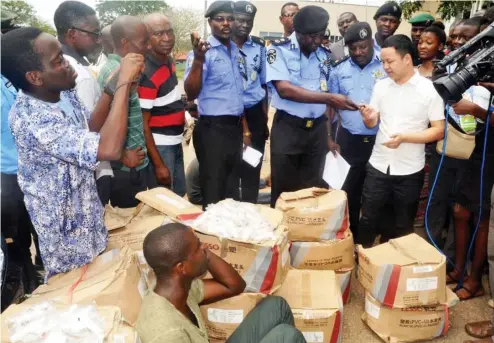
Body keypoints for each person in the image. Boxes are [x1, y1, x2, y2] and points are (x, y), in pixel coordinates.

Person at [1, 27, 144, 278]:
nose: (68, 64)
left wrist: (110, 91)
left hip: (89, 216)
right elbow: (107, 149)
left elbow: (90, 131)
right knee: (77, 298)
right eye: (58, 61)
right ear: (35, 77)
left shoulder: (62, 92)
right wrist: (123, 85)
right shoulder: (32, 118)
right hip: (66, 235)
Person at [136, 223, 306, 343]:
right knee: (287, 337)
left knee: (277, 307)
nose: (205, 248)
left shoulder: (178, 289)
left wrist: (203, 255)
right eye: (198, 248)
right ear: (182, 267)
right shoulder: (166, 333)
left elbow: (234, 285)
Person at [356, 35, 445, 248]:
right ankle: (363, 259)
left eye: (390, 61)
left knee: (403, 224)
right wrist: (368, 118)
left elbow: (439, 130)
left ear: (406, 59)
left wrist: (406, 138)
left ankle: (396, 265)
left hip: (409, 171)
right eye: (383, 61)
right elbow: (372, 123)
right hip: (378, 165)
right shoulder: (381, 87)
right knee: (368, 217)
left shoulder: (429, 90)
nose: (385, 67)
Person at [266, 5, 358, 207]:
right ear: (298, 32)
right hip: (288, 128)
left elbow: (327, 97)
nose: (316, 41)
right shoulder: (277, 49)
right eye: (310, 37)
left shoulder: (324, 54)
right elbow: (284, 90)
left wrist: (327, 136)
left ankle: (306, 233)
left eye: (320, 35)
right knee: (283, 189)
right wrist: (329, 98)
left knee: (312, 189)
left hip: (316, 129)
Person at [447, 19, 493, 301]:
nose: (457, 42)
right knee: (459, 211)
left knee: (481, 216)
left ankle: (475, 279)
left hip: (489, 149)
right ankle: (459, 269)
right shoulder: (466, 66)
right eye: (453, 36)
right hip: (467, 147)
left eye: (466, 38)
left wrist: (475, 110)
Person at [184, 1, 246, 210]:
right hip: (213, 131)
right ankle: (210, 240)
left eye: (230, 18)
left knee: (231, 191)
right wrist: (199, 60)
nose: (226, 23)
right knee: (213, 192)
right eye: (220, 19)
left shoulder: (235, 51)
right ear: (210, 22)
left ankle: (228, 240)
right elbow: (191, 93)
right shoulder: (202, 53)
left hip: (234, 130)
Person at [328, 22, 386, 241]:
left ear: (371, 42)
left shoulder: (386, 64)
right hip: (349, 140)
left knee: (374, 193)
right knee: (348, 191)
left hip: (379, 140)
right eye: (354, 48)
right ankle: (350, 238)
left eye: (363, 46)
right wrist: (328, 137)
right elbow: (331, 107)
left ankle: (369, 240)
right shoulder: (339, 69)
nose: (359, 52)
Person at [54, 0, 114, 206]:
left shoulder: (59, 67)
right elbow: (91, 129)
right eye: (94, 33)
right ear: (72, 34)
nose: (98, 40)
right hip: (92, 172)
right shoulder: (78, 75)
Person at [98, 16, 156, 208]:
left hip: (134, 165)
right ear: (125, 43)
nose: (148, 46)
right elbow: (102, 121)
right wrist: (122, 154)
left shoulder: (127, 69)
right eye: (144, 41)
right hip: (124, 169)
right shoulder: (115, 72)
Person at [139, 13, 186, 196]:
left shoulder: (168, 61)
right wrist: (158, 165)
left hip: (175, 142)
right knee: (166, 202)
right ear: (147, 39)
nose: (167, 38)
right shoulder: (147, 73)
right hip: (160, 147)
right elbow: (143, 124)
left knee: (179, 195)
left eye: (169, 32)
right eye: (159, 34)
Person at [1, 74, 39, 297]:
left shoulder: (9, 72)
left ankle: (42, 276)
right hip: (7, 175)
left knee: (41, 230)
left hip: (34, 169)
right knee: (16, 238)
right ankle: (26, 284)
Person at [231, 1, 269, 203]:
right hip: (230, 113)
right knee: (230, 166)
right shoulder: (223, 46)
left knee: (253, 164)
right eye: (241, 20)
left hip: (254, 112)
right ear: (232, 19)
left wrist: (263, 119)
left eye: (249, 21)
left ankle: (250, 205)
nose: (245, 25)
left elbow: (263, 86)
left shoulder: (259, 47)